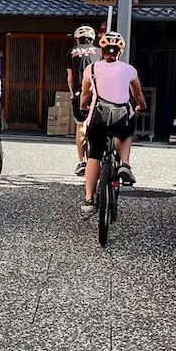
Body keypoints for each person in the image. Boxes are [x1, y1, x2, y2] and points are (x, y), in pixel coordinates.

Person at [79, 31, 146, 217]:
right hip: (121, 116)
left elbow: (85, 94)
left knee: (94, 155)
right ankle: (125, 164)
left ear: (102, 50)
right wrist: (142, 105)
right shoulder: (129, 70)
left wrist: (83, 106)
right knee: (124, 134)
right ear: (120, 52)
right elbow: (137, 94)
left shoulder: (91, 69)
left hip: (98, 117)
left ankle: (89, 200)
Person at [67, 26, 100, 176]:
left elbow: (70, 77)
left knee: (80, 126)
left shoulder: (72, 52)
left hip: (80, 93)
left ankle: (81, 162)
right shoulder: (99, 51)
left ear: (77, 39)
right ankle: (98, 159)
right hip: (98, 93)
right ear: (92, 39)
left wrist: (72, 93)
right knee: (99, 125)